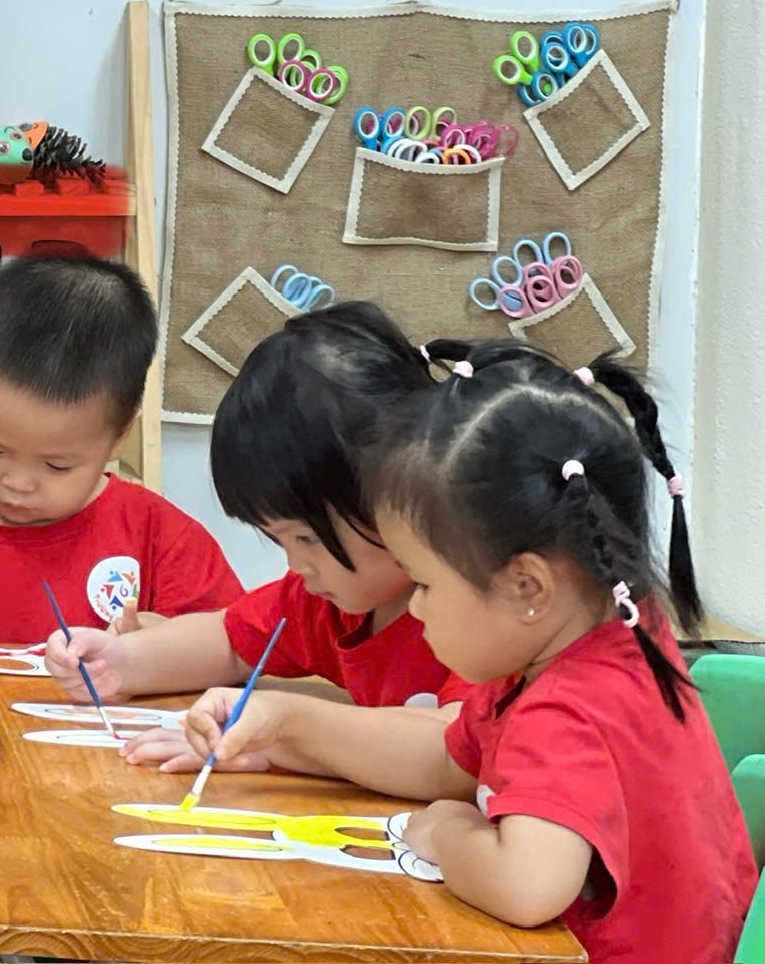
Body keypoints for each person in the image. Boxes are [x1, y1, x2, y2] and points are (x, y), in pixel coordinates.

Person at [182, 343, 752, 962]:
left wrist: (448, 835)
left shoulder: (569, 709)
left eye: (424, 583)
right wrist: (283, 731)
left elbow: (527, 885)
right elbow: (448, 759)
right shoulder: (601, 636)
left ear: (527, 587)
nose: (415, 608)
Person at [43, 305, 467, 774]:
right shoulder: (329, 601)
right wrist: (121, 662)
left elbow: (456, 753)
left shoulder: (481, 610)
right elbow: (230, 641)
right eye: (279, 541)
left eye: (306, 537)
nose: (296, 565)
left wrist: (286, 731)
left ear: (401, 494)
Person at [0, 255, 240, 640]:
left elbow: (236, 652)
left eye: (56, 466)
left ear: (120, 436)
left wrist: (172, 647)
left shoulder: (165, 544)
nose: (18, 482)